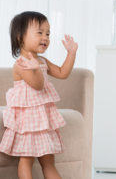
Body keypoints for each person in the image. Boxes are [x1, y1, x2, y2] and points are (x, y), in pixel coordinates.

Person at [0, 11, 78, 179]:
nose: (45, 37)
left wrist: (71, 54)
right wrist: (34, 69)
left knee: (48, 161)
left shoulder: (41, 60)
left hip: (43, 120)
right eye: (40, 32)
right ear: (21, 37)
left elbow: (62, 72)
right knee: (26, 158)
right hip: (28, 121)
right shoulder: (21, 64)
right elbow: (38, 84)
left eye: (48, 33)